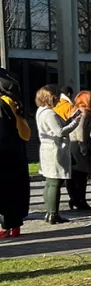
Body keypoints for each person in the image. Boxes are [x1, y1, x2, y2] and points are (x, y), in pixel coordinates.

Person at [35, 84, 82, 224]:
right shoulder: (49, 113)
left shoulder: (40, 111)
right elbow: (60, 132)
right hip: (55, 149)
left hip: (47, 148)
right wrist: (75, 122)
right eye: (55, 97)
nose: (58, 100)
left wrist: (68, 121)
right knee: (55, 182)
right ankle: (53, 214)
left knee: (49, 182)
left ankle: (49, 212)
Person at [0, 68, 30, 239]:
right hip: (17, 153)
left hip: (4, 155)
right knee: (16, 190)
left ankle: (7, 227)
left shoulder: (2, 104)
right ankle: (15, 226)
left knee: (5, 192)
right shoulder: (15, 102)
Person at [66, 90, 91, 211]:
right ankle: (79, 200)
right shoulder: (84, 113)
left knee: (75, 175)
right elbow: (80, 130)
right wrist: (83, 146)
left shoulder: (77, 111)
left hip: (73, 144)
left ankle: (75, 199)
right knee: (80, 174)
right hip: (79, 146)